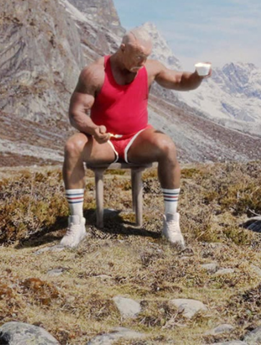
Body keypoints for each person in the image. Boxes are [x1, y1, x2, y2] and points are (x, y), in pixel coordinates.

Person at [59, 27, 210, 249]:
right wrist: (93, 129)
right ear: (122, 48)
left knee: (166, 145)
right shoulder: (95, 73)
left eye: (146, 56)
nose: (142, 61)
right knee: (73, 146)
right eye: (138, 55)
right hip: (105, 141)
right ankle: (76, 224)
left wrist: (198, 76)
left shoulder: (150, 69)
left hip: (136, 139)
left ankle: (171, 222)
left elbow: (179, 80)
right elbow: (76, 113)